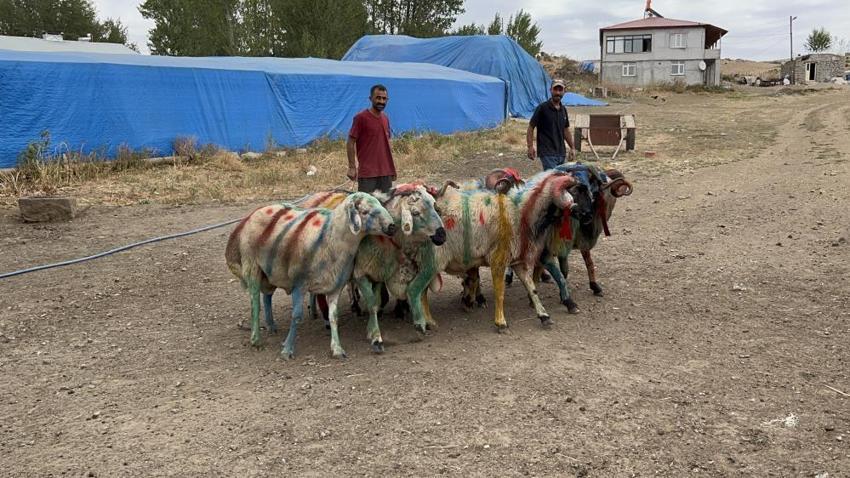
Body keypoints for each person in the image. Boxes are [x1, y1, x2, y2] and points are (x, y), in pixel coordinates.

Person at [347, 84, 396, 193]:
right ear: (370, 99)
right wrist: (352, 167)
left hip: (385, 173)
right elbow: (350, 142)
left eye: (384, 98)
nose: (381, 101)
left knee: (386, 206)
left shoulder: (385, 118)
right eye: (378, 98)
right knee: (366, 207)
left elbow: (387, 143)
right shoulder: (361, 118)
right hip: (367, 174)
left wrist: (391, 169)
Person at [527, 79, 576, 170]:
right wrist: (530, 146)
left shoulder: (563, 110)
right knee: (553, 179)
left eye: (560, 90)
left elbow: (565, 130)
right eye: (555, 90)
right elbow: (531, 127)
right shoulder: (542, 108)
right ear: (551, 90)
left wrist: (572, 148)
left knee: (560, 180)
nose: (557, 92)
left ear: (564, 92)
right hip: (547, 152)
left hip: (561, 153)